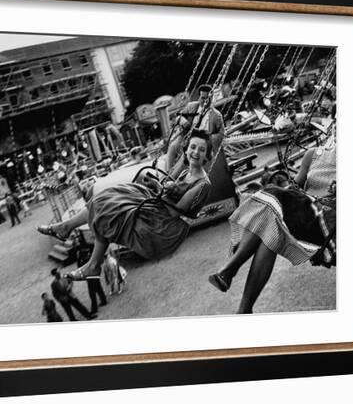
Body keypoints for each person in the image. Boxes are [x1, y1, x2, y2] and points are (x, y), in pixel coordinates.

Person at [38, 129, 213, 280]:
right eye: (193, 147)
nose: (195, 152)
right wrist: (159, 184)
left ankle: (88, 258)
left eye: (201, 149)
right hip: (157, 203)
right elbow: (169, 177)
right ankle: (68, 230)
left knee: (111, 211)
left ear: (207, 155)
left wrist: (160, 187)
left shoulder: (202, 184)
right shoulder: (186, 171)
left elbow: (179, 209)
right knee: (106, 198)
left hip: (162, 219)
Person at [208, 136, 336, 314]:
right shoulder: (312, 155)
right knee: (270, 232)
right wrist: (283, 183)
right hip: (306, 214)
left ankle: (230, 269)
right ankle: (244, 310)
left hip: (329, 224)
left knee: (271, 199)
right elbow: (294, 188)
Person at [166, 84, 225, 173]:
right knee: (173, 146)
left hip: (202, 141)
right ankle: (168, 171)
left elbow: (221, 134)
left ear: (212, 98)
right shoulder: (191, 106)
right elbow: (178, 117)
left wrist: (208, 137)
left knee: (188, 153)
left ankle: (173, 176)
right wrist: (183, 122)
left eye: (208, 98)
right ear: (198, 98)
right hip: (186, 135)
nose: (205, 101)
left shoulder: (217, 116)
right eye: (203, 98)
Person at [76, 235, 108, 314]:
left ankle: (94, 309)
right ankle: (103, 300)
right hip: (94, 271)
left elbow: (79, 265)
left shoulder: (81, 253)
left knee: (92, 292)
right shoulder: (91, 248)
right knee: (98, 287)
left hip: (89, 273)